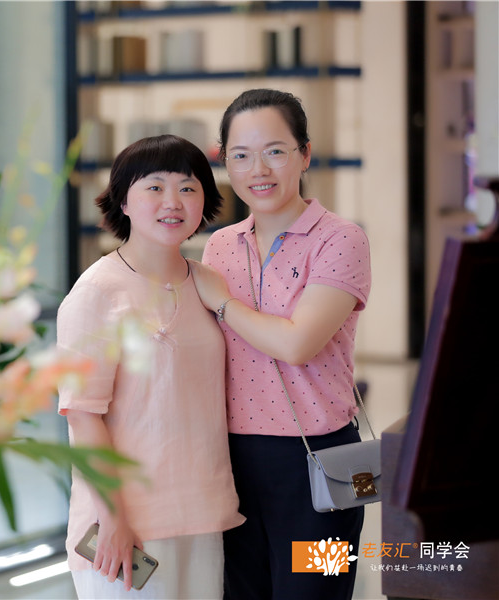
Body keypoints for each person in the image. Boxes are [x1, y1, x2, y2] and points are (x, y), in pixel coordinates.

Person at [193, 88, 372, 599]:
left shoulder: (341, 239)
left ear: (305, 154)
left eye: (275, 151)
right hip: (232, 460)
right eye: (240, 155)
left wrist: (221, 301)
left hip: (324, 463)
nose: (258, 170)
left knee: (317, 591)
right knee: (242, 591)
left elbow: (298, 345)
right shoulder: (222, 244)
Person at [57, 134, 245, 599]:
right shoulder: (98, 291)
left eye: (188, 187)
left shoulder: (209, 282)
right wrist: (113, 518)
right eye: (154, 187)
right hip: (128, 525)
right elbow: (82, 415)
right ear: (123, 200)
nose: (173, 201)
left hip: (204, 514)